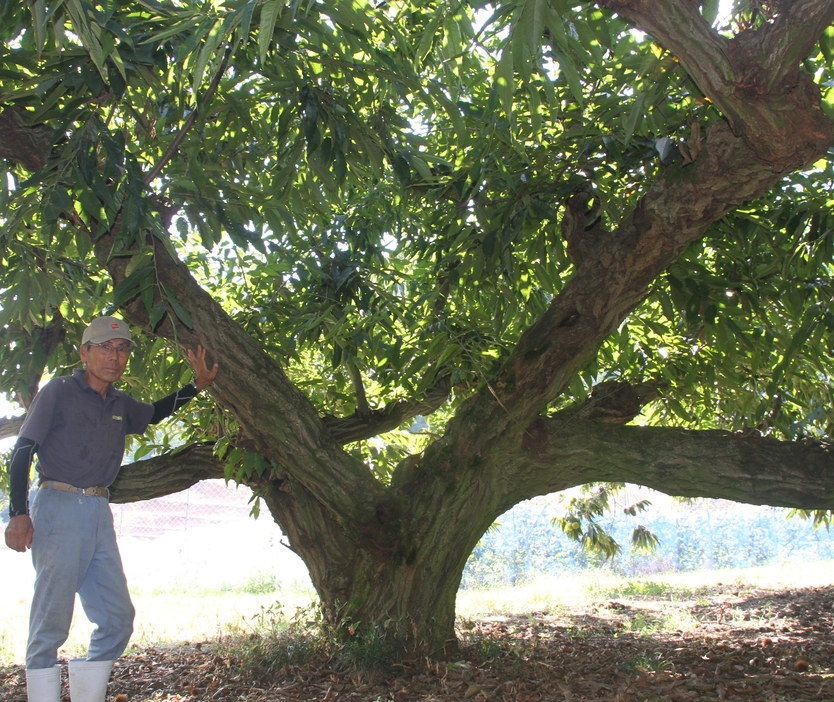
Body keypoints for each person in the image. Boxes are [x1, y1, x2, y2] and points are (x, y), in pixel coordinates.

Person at [3, 316, 219, 702]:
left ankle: (87, 695)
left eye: (121, 349)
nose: (114, 356)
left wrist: (197, 386)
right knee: (50, 624)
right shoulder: (59, 391)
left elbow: (153, 413)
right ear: (84, 352)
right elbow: (22, 451)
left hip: (99, 510)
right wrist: (19, 511)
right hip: (58, 506)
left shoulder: (120, 402)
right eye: (104, 347)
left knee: (118, 620)